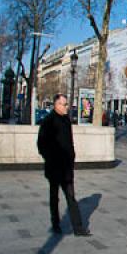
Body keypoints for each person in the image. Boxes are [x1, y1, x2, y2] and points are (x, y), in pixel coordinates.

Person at [37, 93, 91, 236]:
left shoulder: (67, 120)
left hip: (66, 167)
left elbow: (69, 142)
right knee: (54, 197)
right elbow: (41, 144)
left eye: (67, 104)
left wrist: (72, 156)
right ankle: (55, 224)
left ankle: (78, 228)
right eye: (64, 104)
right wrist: (50, 158)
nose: (67, 107)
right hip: (54, 167)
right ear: (56, 105)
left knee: (71, 197)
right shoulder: (48, 121)